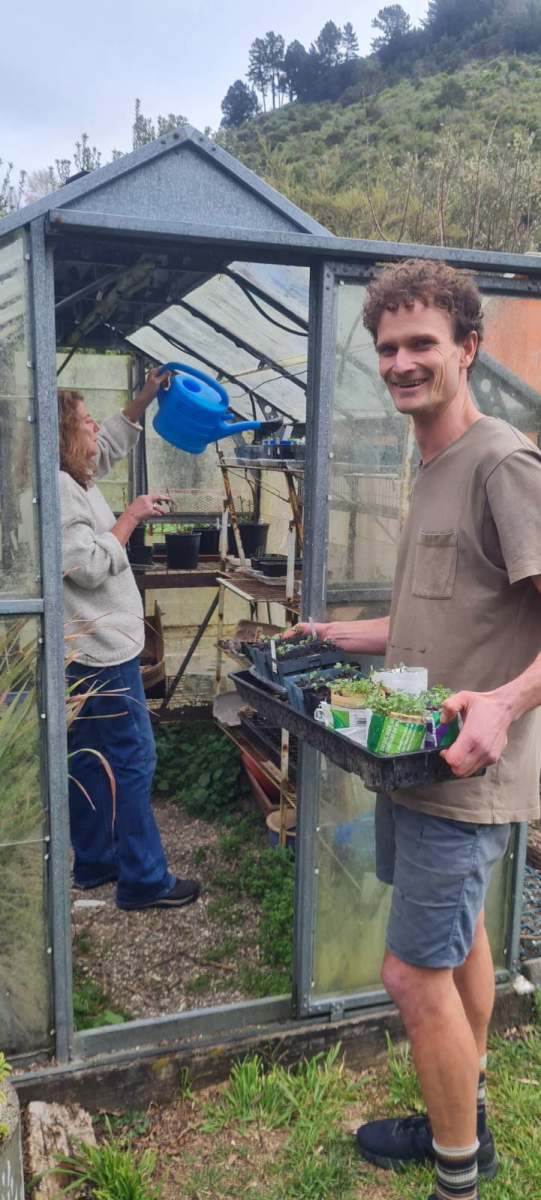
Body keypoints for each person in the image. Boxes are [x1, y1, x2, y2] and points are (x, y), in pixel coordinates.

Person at [296, 259, 541, 1200]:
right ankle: (463, 1116)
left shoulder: (500, 462)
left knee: (408, 975)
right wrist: (331, 634)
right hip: (413, 760)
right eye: (387, 347)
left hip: (466, 774)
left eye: (421, 344)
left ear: (466, 348)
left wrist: (504, 703)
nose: (400, 362)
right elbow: (431, 618)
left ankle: (455, 1179)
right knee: (462, 938)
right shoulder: (432, 465)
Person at [58, 367, 200, 911]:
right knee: (134, 758)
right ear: (64, 435)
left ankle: (95, 862)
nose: (96, 427)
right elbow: (86, 566)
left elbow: (112, 443)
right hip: (101, 650)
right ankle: (144, 880)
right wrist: (132, 516)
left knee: (90, 758)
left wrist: (144, 397)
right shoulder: (61, 490)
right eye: (85, 421)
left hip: (84, 649)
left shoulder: (73, 479)